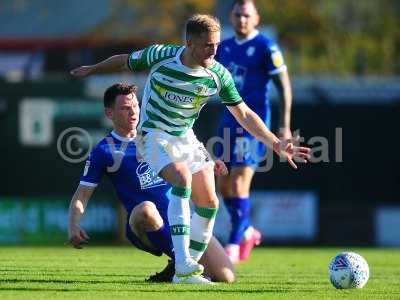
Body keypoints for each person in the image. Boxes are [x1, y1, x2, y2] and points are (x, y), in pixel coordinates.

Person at [70, 14, 310, 284]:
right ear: (189, 43)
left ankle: (185, 266)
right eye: (208, 45)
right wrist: (92, 68)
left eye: (217, 44)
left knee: (210, 203)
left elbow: (243, 113)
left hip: (185, 138)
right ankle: (184, 267)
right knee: (182, 177)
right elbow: (124, 60)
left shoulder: (218, 74)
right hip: (153, 135)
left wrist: (275, 143)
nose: (214, 50)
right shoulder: (161, 55)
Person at [67, 83, 235, 283]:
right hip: (141, 223)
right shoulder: (103, 151)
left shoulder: (158, 136)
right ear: (109, 113)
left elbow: (191, 151)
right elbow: (82, 195)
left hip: (181, 222)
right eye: (125, 108)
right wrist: (73, 224)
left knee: (226, 276)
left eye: (136, 106)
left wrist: (209, 161)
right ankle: (181, 263)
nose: (133, 112)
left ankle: (175, 267)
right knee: (147, 209)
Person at [214, 0, 294, 263]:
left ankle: (233, 246)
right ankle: (246, 230)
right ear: (231, 17)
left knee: (238, 182)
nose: (242, 20)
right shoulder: (222, 48)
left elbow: (284, 87)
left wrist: (283, 127)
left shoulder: (266, 47)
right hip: (227, 122)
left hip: (253, 125)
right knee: (222, 183)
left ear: (256, 18)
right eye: (237, 15)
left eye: (247, 15)